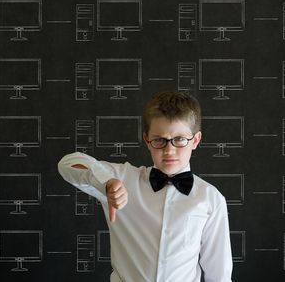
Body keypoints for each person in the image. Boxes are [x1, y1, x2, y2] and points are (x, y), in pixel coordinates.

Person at [58, 91, 233, 281]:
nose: (169, 150)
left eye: (180, 139)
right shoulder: (123, 178)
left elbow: (219, 274)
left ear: (196, 140)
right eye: (159, 140)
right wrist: (106, 182)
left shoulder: (210, 198)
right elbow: (67, 164)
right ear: (147, 140)